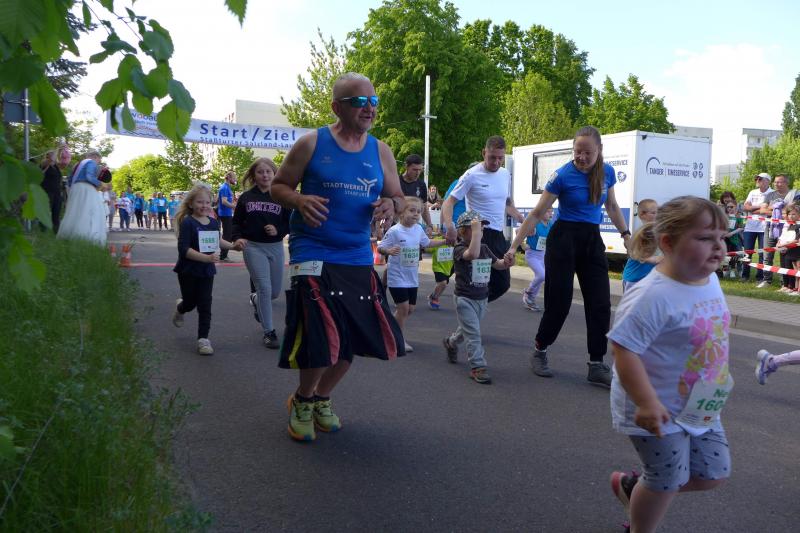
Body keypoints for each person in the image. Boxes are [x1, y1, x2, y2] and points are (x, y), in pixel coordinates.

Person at [270, 72, 406, 442]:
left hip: (356, 253)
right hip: (312, 248)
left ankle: (319, 397)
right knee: (320, 332)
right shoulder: (311, 143)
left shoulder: (380, 151)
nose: (369, 108)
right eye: (359, 101)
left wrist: (391, 205)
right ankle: (302, 400)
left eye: (373, 101)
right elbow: (278, 186)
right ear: (336, 107)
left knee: (354, 335)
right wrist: (299, 200)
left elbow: (398, 196)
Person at [607, 196, 732, 533]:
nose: (718, 247)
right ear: (667, 242)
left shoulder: (710, 279)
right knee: (665, 480)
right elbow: (623, 349)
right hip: (657, 406)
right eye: (705, 238)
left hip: (699, 403)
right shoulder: (652, 295)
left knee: (712, 473)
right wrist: (646, 402)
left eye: (722, 237)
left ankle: (635, 488)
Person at [506, 126, 630, 386]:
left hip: (591, 240)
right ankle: (540, 349)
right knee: (559, 302)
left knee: (600, 303)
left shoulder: (607, 173)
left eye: (588, 152)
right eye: (577, 151)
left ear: (599, 150)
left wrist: (626, 235)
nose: (581, 157)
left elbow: (612, 206)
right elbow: (537, 213)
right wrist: (513, 246)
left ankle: (596, 364)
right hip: (563, 239)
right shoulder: (562, 175)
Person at [442, 137, 524, 302]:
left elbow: (507, 203)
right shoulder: (471, 175)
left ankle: (473, 306)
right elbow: (449, 202)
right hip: (477, 234)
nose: (496, 162)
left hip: (498, 235)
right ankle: (469, 309)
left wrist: (522, 219)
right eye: (492, 157)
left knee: (502, 284)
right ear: (484, 153)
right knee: (476, 282)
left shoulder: (505, 174)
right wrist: (449, 226)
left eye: (500, 158)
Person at [442, 210, 514, 384]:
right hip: (464, 299)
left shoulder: (484, 248)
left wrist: (507, 262)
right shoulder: (459, 249)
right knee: (474, 333)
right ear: (463, 231)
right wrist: (476, 233)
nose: (480, 232)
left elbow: (498, 265)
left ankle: (451, 342)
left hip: (482, 298)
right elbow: (472, 255)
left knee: (467, 329)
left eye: (481, 229)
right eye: (475, 229)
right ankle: (478, 366)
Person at [171, 184, 239, 355]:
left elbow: (218, 241)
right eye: (200, 202)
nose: (204, 205)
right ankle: (181, 308)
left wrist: (233, 246)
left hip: (206, 271)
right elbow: (184, 250)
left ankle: (203, 339)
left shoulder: (214, 222)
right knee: (190, 303)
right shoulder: (188, 223)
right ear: (191, 204)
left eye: (207, 202)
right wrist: (206, 258)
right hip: (188, 270)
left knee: (205, 303)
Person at [232, 157, 291, 349]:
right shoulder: (246, 197)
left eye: (268, 171)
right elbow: (236, 222)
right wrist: (237, 238)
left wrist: (278, 230)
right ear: (253, 175)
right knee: (265, 288)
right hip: (253, 247)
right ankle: (269, 332)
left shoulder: (282, 196)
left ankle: (255, 298)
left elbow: (290, 223)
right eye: (260, 172)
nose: (265, 175)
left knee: (273, 293)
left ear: (275, 174)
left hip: (275, 247)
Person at [378, 196, 445, 352]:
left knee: (410, 309)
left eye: (419, 211)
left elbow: (427, 243)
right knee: (403, 308)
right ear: (401, 212)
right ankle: (399, 340)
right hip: (397, 276)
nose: (416, 214)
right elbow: (381, 247)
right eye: (412, 210)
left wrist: (444, 241)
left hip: (412, 277)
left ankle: (389, 329)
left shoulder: (418, 229)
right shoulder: (394, 231)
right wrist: (388, 250)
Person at [57, 149, 108, 246]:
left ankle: (69, 236)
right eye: (99, 160)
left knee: (75, 212)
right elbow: (89, 177)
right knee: (90, 212)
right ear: (95, 157)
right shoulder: (91, 162)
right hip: (86, 188)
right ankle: (87, 238)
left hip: (76, 189)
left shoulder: (77, 165)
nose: (98, 163)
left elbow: (70, 180)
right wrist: (100, 184)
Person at [759, 174, 797, 288]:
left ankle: (784, 282)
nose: (776, 184)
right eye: (775, 182)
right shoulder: (770, 195)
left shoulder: (794, 195)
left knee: (784, 256)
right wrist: (780, 210)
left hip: (787, 229)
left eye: (779, 182)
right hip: (770, 228)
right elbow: (762, 210)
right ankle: (767, 280)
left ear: (786, 183)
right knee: (767, 254)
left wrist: (774, 208)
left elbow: (792, 212)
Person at [621, 199, 660, 292]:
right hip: (633, 279)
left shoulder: (657, 231)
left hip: (646, 279)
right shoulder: (641, 233)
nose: (658, 215)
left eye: (658, 212)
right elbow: (633, 253)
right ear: (642, 214)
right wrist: (654, 259)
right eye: (654, 213)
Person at [740, 173, 773, 284]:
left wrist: (753, 209)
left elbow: (770, 210)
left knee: (762, 254)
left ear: (768, 181)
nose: (757, 180)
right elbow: (745, 207)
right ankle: (745, 275)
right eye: (756, 179)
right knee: (747, 253)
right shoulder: (752, 192)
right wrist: (760, 206)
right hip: (750, 227)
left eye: (760, 179)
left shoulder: (773, 193)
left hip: (764, 228)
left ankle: (760, 277)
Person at [521, 207, 554, 311]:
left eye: (551, 212)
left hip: (543, 254)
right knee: (542, 275)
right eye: (548, 211)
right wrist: (523, 245)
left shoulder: (550, 224)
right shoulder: (535, 224)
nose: (550, 214)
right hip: (532, 255)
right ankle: (528, 292)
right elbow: (518, 231)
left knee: (540, 278)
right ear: (542, 212)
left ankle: (530, 300)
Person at [40, 144, 71, 233]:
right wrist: (58, 148)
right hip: (47, 191)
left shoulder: (56, 166)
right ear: (48, 156)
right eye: (51, 154)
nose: (54, 156)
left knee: (56, 211)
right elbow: (51, 160)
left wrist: (66, 151)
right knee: (46, 211)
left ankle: (56, 232)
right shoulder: (44, 164)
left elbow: (65, 164)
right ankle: (42, 231)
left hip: (57, 192)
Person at [399, 154, 433, 231]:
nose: (417, 173)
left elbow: (424, 207)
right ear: (406, 166)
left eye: (420, 170)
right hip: (396, 225)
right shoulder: (396, 182)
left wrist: (429, 225)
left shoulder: (421, 185)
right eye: (414, 170)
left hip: (413, 226)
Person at [775, 203, 800, 294]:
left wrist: (784, 244)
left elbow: (796, 240)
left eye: (793, 214)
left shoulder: (798, 225)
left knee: (797, 271)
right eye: (789, 214)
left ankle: (797, 289)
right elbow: (784, 236)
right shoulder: (790, 225)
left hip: (797, 251)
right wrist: (779, 243)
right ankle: (792, 287)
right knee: (791, 270)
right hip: (789, 250)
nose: (791, 216)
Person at [427, 234, 454, 310]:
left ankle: (433, 296)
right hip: (438, 267)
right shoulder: (437, 240)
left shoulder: (455, 242)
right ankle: (434, 298)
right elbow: (427, 248)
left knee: (443, 285)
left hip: (449, 268)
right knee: (443, 283)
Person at [217, 171, 237, 260]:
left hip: (227, 213)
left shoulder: (227, 187)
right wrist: (234, 207)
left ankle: (223, 255)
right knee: (227, 234)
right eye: (234, 177)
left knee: (228, 233)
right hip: (225, 214)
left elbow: (218, 200)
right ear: (229, 178)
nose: (235, 179)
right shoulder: (224, 187)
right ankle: (223, 255)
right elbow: (224, 202)